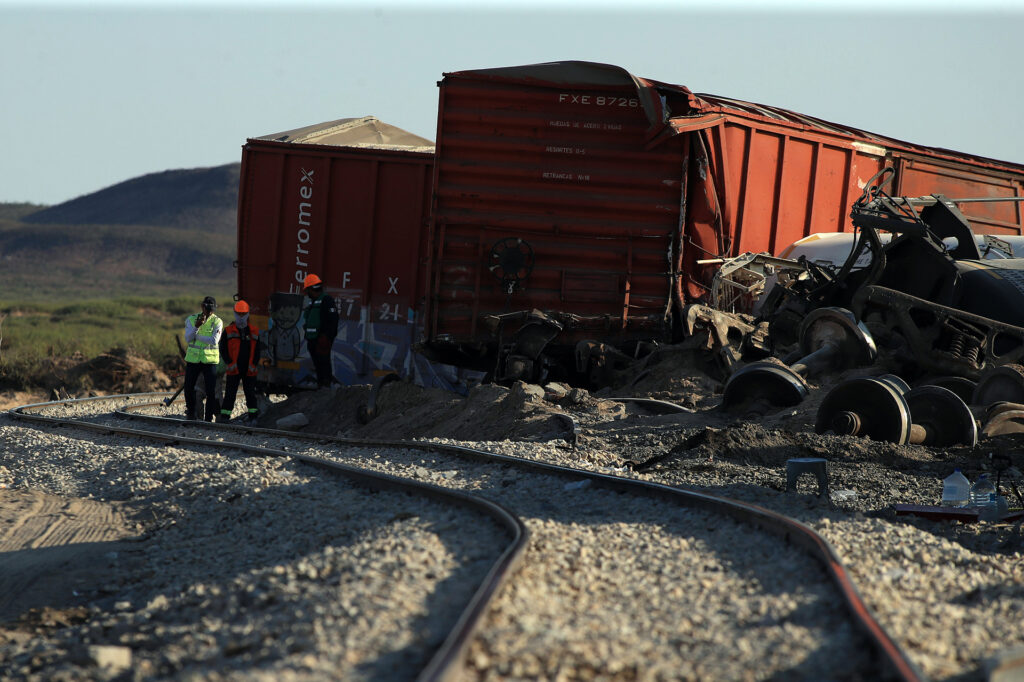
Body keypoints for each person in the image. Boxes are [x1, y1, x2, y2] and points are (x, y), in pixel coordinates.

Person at [218, 300, 261, 423]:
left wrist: (254, 364)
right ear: (235, 313)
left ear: (247, 314)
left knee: (250, 394)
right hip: (234, 368)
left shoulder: (254, 331)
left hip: (249, 370)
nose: (241, 317)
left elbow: (257, 350)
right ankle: (225, 417)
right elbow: (223, 348)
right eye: (239, 314)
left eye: (243, 314)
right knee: (230, 394)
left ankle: (253, 417)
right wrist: (229, 362)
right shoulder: (228, 330)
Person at [183, 296, 223, 421]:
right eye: (208, 309)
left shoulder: (217, 322)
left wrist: (197, 336)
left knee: (211, 391)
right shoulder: (191, 319)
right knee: (188, 388)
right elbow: (188, 338)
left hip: (209, 361)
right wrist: (196, 327)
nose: (210, 312)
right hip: (193, 360)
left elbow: (214, 340)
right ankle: (191, 412)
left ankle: (208, 418)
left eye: (212, 309)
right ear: (202, 307)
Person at [302, 273, 339, 387]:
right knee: (319, 366)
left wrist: (327, 337)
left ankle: (325, 387)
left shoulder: (326, 300)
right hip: (313, 341)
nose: (307, 294)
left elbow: (333, 320)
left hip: (321, 341)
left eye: (307, 290)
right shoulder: (314, 302)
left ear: (311, 289)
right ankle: (321, 386)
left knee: (324, 365)